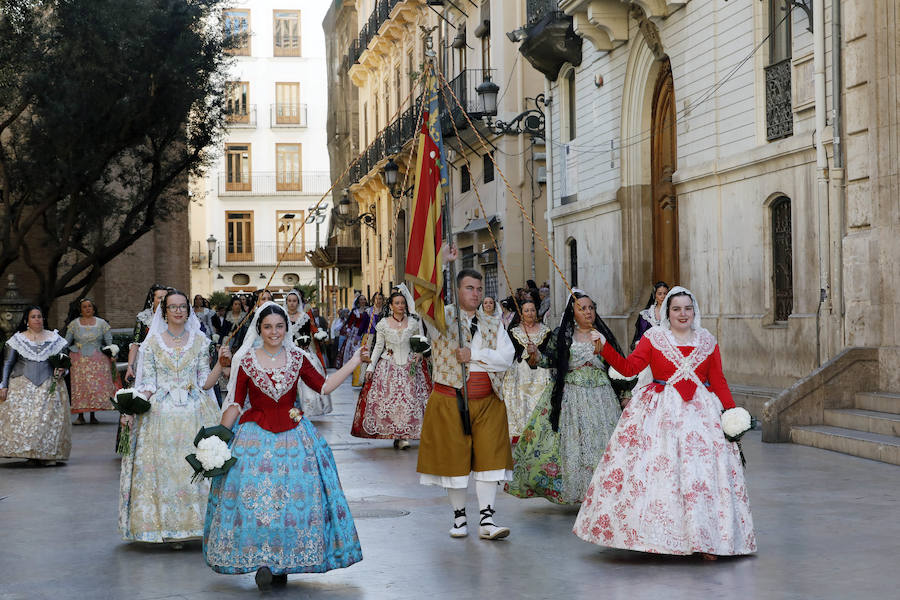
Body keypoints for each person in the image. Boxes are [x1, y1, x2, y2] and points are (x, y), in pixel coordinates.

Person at [573, 287, 756, 558]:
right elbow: (628, 368)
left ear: (694, 311)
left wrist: (731, 413)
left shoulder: (707, 340)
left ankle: (708, 540)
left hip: (702, 416)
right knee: (661, 473)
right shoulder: (654, 338)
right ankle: (658, 538)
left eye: (687, 308)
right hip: (661, 415)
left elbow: (718, 380)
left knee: (702, 477)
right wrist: (605, 349)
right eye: (676, 309)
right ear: (666, 313)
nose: (683, 314)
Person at [204, 302, 364, 590]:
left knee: (295, 497)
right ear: (259, 329)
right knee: (254, 498)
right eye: (268, 327)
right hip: (254, 437)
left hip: (295, 435)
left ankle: (283, 560)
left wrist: (354, 362)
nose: (274, 332)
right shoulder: (248, 360)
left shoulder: (298, 358)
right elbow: (237, 403)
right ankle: (264, 560)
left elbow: (324, 386)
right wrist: (216, 439)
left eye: (279, 326)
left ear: (286, 328)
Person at [118, 290, 228, 545]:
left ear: (188, 311)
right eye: (173, 307)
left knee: (196, 465)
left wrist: (220, 365)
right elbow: (146, 384)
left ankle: (199, 524)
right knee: (164, 468)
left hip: (195, 410)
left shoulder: (200, 341)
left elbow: (205, 382)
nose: (178, 311)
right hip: (160, 414)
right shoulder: (152, 343)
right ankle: (165, 525)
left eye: (182, 307)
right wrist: (131, 407)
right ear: (164, 312)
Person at [415, 263, 515, 540]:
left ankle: (487, 520)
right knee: (454, 461)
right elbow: (422, 299)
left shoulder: (493, 321)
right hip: (450, 398)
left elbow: (507, 358)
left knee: (490, 461)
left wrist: (475, 355)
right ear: (456, 290)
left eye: (479, 289)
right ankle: (459, 519)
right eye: (469, 288)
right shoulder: (441, 320)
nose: (475, 293)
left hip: (488, 400)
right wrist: (440, 259)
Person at [505, 290, 623, 505]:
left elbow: (619, 367)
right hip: (571, 397)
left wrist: (626, 393)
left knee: (602, 443)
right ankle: (579, 490)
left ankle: (603, 491)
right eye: (582, 308)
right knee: (574, 443)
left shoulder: (603, 335)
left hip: (602, 398)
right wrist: (536, 354)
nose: (588, 312)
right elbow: (549, 360)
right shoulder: (564, 335)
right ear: (573, 312)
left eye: (591, 308)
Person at [351, 287, 431, 449]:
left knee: (411, 398)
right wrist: (370, 367)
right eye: (397, 303)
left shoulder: (413, 323)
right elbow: (378, 346)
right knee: (391, 400)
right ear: (391, 306)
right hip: (389, 365)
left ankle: (405, 434)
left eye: (402, 303)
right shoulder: (383, 324)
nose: (400, 305)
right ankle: (397, 434)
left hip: (410, 366)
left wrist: (419, 354)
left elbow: (420, 342)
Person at [0, 306, 71, 465]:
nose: (37, 319)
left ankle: (45, 453)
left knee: (46, 420)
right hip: (22, 385)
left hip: (49, 384)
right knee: (27, 421)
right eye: (33, 317)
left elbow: (66, 363)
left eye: (39, 316)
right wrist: (3, 386)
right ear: (26, 320)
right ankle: (30, 452)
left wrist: (62, 371)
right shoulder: (17, 340)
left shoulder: (55, 339)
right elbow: (7, 363)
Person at [500, 294, 551, 440]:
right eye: (526, 310)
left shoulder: (546, 331)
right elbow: (509, 353)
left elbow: (551, 352)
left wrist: (537, 352)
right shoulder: (513, 332)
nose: (530, 313)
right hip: (520, 374)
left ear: (537, 312)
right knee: (521, 403)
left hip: (541, 375)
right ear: (521, 314)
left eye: (533, 310)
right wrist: (524, 352)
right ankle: (521, 435)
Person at [65, 298, 117, 425]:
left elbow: (109, 340)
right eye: (84, 307)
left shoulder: (102, 323)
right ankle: (80, 416)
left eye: (89, 306)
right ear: (80, 310)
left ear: (94, 309)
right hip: (78, 359)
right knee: (81, 387)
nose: (87, 309)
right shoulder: (74, 324)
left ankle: (93, 414)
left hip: (97, 359)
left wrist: (112, 352)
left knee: (94, 386)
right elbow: (66, 341)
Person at [285, 290, 332, 416]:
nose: (292, 303)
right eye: (289, 301)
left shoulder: (304, 317)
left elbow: (308, 334)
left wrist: (303, 342)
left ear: (298, 302)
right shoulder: (281, 317)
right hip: (286, 352)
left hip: (303, 351)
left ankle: (309, 408)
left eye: (294, 301)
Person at [125, 284, 169, 384]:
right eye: (159, 298)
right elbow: (135, 343)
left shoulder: (173, 316)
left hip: (168, 361)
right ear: (152, 299)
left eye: (165, 298)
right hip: (147, 362)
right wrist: (130, 366)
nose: (163, 300)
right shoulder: (143, 317)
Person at [631, 281, 669, 348]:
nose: (663, 296)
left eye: (665, 293)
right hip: (650, 349)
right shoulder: (646, 315)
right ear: (655, 295)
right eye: (659, 294)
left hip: (668, 349)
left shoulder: (673, 313)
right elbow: (641, 336)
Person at [337, 295, 368, 369]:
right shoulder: (355, 311)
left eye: (364, 299)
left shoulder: (369, 310)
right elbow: (350, 322)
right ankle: (355, 366)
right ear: (358, 301)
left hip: (366, 332)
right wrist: (348, 331)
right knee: (354, 349)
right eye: (361, 300)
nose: (363, 301)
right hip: (356, 332)